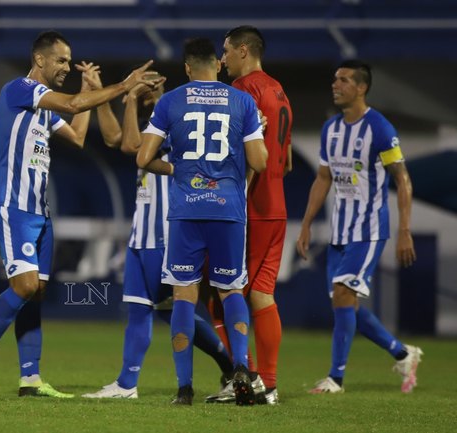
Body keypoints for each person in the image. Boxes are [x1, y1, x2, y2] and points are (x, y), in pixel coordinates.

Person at [0, 30, 159, 398]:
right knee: (22, 286)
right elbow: (71, 105)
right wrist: (121, 86)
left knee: (35, 292)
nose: (66, 67)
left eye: (70, 62)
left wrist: (91, 86)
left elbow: (79, 135)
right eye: (61, 60)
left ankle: (30, 379)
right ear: (40, 60)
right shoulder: (20, 90)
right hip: (13, 206)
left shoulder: (43, 109)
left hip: (40, 212)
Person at [82, 69, 235, 399]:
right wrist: (102, 100)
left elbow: (131, 143)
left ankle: (127, 384)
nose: (145, 92)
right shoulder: (152, 119)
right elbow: (114, 138)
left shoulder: (174, 120)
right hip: (142, 232)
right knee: (161, 309)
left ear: (161, 89)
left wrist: (132, 97)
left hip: (165, 229)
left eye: (150, 88)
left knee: (158, 310)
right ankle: (228, 366)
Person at [137, 37, 268, 405]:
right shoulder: (243, 102)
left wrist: (175, 168)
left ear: (187, 68)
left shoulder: (169, 101)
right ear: (218, 64)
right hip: (227, 209)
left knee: (183, 295)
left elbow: (143, 158)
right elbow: (259, 162)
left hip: (187, 210)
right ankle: (241, 367)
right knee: (230, 291)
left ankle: (184, 389)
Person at [296, 59, 423, 394]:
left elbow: (403, 179)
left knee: (342, 296)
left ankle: (335, 378)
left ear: (362, 87)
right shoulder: (331, 129)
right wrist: (308, 223)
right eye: (335, 79)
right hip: (340, 230)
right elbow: (323, 178)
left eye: (344, 80)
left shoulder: (379, 128)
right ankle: (402, 352)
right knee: (345, 304)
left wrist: (405, 230)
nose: (335, 85)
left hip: (368, 229)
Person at [205, 25, 293, 405]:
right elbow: (284, 161)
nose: (222, 60)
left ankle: (245, 377)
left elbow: (246, 156)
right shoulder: (279, 90)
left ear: (243, 50)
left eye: (225, 51)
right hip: (277, 206)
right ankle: (268, 385)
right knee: (261, 295)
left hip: (249, 209)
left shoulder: (242, 92)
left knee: (221, 296)